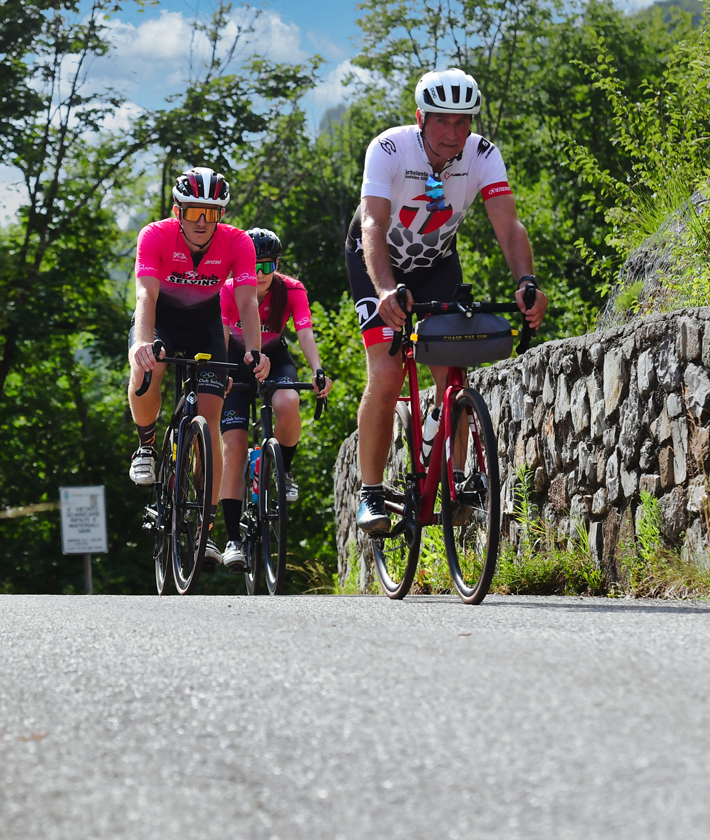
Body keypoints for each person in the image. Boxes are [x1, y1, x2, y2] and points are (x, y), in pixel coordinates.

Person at [346, 68, 548, 536]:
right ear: (421, 118)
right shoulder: (390, 147)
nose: (453, 134)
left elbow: (509, 226)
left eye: (463, 123)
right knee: (387, 370)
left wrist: (526, 281)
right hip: (375, 261)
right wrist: (383, 290)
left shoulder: (482, 155)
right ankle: (370, 493)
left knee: (453, 365)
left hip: (436, 263)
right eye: (442, 121)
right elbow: (374, 224)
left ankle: (455, 475)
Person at [129, 168, 271, 527]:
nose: (203, 221)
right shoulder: (155, 235)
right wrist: (143, 342)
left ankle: (205, 526)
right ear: (178, 211)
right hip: (161, 320)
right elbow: (146, 293)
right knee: (147, 368)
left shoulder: (237, 242)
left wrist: (254, 350)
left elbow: (247, 301)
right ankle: (146, 446)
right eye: (194, 211)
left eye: (212, 212)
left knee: (209, 422)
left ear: (221, 215)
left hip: (205, 327)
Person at [215, 228, 335, 571]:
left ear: (277, 265)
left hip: (276, 357)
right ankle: (232, 540)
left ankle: (283, 470)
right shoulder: (228, 290)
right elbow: (222, 336)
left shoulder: (291, 290)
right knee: (234, 447)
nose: (259, 276)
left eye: (266, 267)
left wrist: (317, 369)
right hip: (234, 362)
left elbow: (305, 332)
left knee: (287, 402)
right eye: (252, 267)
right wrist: (222, 374)